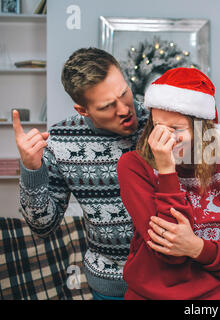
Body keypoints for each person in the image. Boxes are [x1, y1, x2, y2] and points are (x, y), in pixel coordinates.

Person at [13, 47, 149, 299]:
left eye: (124, 93)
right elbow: (43, 226)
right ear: (83, 110)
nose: (124, 110)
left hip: (173, 280)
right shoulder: (61, 140)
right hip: (111, 286)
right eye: (108, 106)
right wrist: (32, 170)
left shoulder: (158, 122)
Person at [116, 67, 220, 300]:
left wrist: (197, 248)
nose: (166, 138)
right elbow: (169, 254)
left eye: (176, 129)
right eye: (158, 126)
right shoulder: (133, 166)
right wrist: (166, 170)